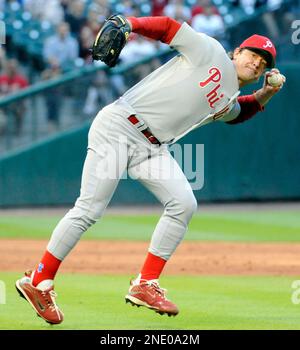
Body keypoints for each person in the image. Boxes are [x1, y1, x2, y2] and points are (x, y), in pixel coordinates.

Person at [16, 15, 285, 324]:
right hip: (120, 125)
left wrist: (265, 94)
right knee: (90, 209)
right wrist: (131, 23)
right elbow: (170, 28)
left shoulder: (229, 98)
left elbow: (237, 114)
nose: (256, 63)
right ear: (237, 52)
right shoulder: (210, 50)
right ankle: (38, 281)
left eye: (263, 63)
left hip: (151, 147)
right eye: (253, 54)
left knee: (183, 203)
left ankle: (145, 283)